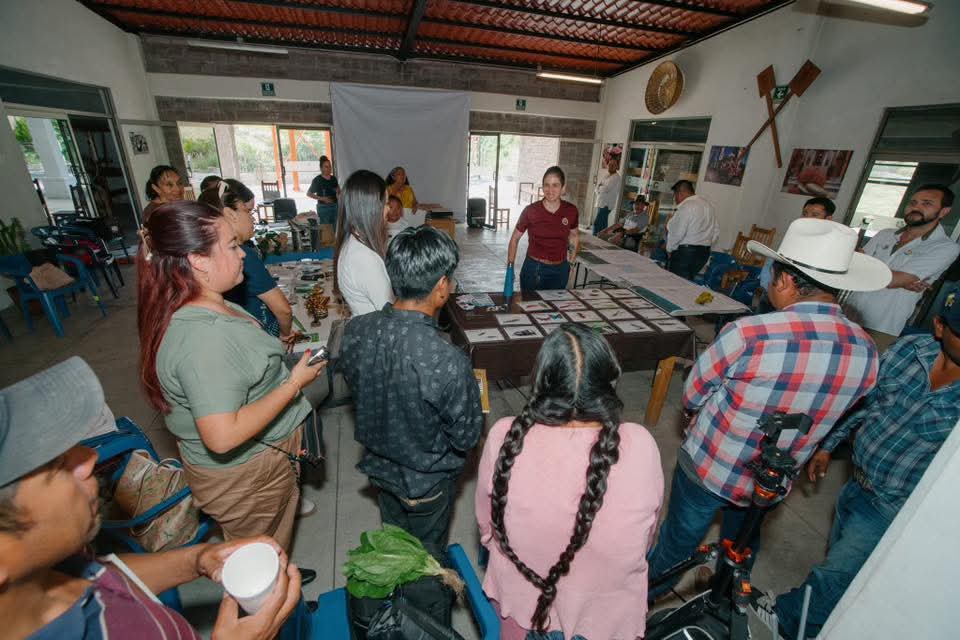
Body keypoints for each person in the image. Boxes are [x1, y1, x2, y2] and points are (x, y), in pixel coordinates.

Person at [646, 218, 892, 600]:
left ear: (785, 282)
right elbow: (846, 414)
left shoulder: (751, 334)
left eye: (771, 274)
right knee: (741, 545)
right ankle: (724, 599)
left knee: (675, 546)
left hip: (710, 465)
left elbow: (693, 392)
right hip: (770, 481)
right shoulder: (867, 351)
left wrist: (697, 413)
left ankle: (638, 606)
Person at [0, 357, 301, 640]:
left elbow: (104, 575)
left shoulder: (52, 565)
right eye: (55, 465)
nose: (90, 456)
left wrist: (196, 560)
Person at [757, 288, 960, 639]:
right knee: (843, 570)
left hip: (893, 506)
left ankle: (785, 622)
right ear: (940, 327)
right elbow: (868, 405)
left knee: (833, 575)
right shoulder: (906, 353)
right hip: (857, 483)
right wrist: (828, 446)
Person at [137, 201, 326, 553]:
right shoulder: (203, 341)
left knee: (270, 550)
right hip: (248, 477)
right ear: (198, 260)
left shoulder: (210, 303)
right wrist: (294, 383)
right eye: (231, 246)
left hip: (261, 462)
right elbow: (222, 436)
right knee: (258, 563)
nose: (242, 255)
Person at [476, 324, 663, 640]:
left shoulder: (503, 436)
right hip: (605, 617)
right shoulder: (641, 444)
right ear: (608, 383)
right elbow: (646, 540)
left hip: (522, 606)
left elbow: (487, 528)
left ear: (540, 381)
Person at [339, 226, 483, 557]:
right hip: (427, 484)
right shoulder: (446, 359)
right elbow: (465, 437)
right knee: (426, 558)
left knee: (394, 546)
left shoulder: (357, 330)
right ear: (442, 287)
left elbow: (359, 385)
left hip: (380, 470)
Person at [844, 184, 959, 351]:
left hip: (882, 326)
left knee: (861, 373)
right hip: (848, 314)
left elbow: (894, 279)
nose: (916, 207)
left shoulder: (945, 247)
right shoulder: (886, 234)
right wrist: (897, 279)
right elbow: (852, 268)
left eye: (926, 203)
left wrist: (865, 266)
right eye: (913, 202)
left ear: (943, 211)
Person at [199, 179, 295, 343]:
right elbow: (283, 310)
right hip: (260, 336)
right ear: (230, 214)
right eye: (248, 212)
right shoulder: (243, 254)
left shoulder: (212, 252)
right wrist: (286, 335)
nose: (253, 219)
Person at [507, 166, 581, 294]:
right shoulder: (531, 211)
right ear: (542, 187)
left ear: (563, 188)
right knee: (530, 309)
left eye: (555, 185)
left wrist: (572, 262)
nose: (550, 190)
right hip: (534, 270)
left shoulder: (571, 210)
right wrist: (510, 267)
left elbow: (574, 235)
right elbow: (514, 239)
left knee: (554, 310)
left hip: (560, 270)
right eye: (546, 185)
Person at [757, 196, 836, 312]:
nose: (807, 218)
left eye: (815, 215)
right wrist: (768, 289)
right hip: (774, 294)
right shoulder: (793, 237)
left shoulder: (830, 247)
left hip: (803, 304)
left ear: (828, 219)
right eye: (805, 213)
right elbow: (772, 262)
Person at [333, 169, 394, 316]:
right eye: (386, 204)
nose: (389, 210)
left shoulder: (354, 243)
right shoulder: (364, 258)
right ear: (371, 209)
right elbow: (391, 314)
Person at [665, 180, 719, 280]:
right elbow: (715, 232)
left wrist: (669, 249)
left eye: (675, 195)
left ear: (680, 193)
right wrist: (704, 243)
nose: (675, 199)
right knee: (687, 283)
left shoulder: (687, 206)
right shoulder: (708, 205)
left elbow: (678, 233)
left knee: (674, 284)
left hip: (685, 253)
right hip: (703, 254)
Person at [306, 155, 340, 226]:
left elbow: (338, 190)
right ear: (321, 168)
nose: (329, 168)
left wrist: (338, 192)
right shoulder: (317, 180)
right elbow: (309, 194)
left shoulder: (334, 179)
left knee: (336, 228)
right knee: (326, 230)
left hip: (335, 206)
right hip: (323, 208)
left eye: (330, 166)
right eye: (326, 167)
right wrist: (322, 198)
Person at [592, 156, 622, 235]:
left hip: (606, 205)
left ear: (617, 167)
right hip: (600, 202)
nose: (611, 166)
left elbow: (606, 189)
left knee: (597, 223)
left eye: (613, 165)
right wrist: (600, 187)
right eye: (609, 164)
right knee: (602, 224)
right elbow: (596, 188)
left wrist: (600, 187)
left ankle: (595, 237)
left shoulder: (616, 177)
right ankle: (602, 239)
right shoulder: (606, 175)